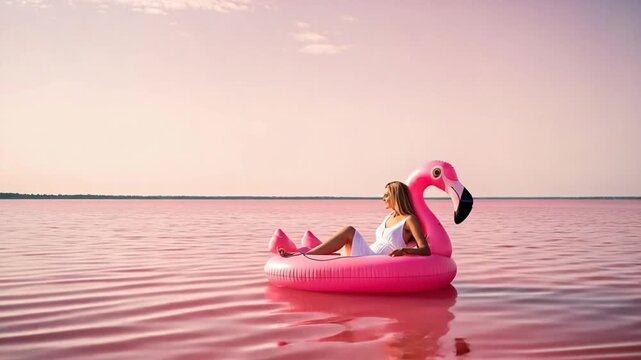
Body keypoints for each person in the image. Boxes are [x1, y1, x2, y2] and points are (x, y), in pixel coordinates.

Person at [278, 181, 431, 257]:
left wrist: (404, 250)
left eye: (386, 195)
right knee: (341, 246)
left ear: (396, 197)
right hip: (369, 253)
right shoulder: (389, 217)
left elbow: (426, 250)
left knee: (349, 231)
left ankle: (303, 256)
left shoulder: (409, 220)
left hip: (377, 260)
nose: (383, 198)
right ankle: (307, 255)